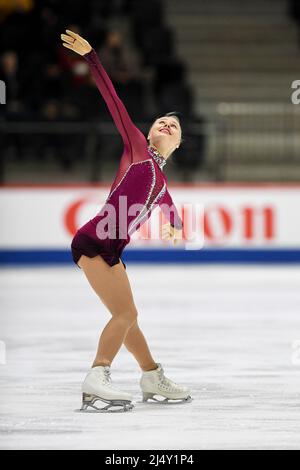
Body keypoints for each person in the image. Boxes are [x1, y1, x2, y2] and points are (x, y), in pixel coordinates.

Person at [60, 30, 192, 413]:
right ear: (149, 132)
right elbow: (113, 101)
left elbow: (166, 200)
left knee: (128, 318)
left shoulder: (161, 176)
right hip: (93, 242)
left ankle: (151, 376)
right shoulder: (137, 148)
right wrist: (93, 58)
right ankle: (97, 376)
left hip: (112, 250)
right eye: (162, 122)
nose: (167, 125)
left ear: (179, 144)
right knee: (126, 315)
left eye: (174, 126)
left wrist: (176, 223)